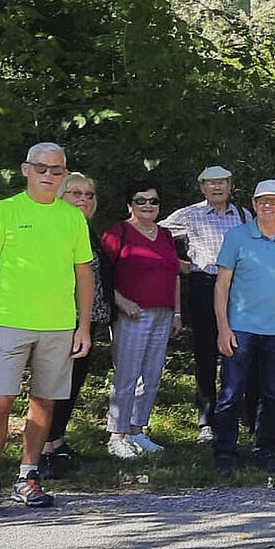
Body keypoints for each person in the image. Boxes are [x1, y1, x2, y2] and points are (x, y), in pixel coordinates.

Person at [0, 142, 94, 516]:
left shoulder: (72, 218)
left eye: (57, 170)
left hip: (58, 326)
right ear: (26, 169)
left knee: (44, 402)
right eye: (42, 168)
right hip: (9, 323)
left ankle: (28, 476)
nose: (49, 175)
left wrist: (83, 326)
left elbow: (84, 275)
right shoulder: (5, 211)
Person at [211, 180, 275, 476]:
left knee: (271, 394)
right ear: (253, 205)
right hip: (240, 328)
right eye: (262, 201)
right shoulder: (237, 237)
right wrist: (223, 328)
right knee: (231, 393)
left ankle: (265, 452)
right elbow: (222, 286)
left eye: (274, 201)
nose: (268, 206)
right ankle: (224, 454)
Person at [159, 165, 252, 443]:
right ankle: (206, 422)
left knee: (238, 350)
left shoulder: (245, 215)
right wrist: (180, 265)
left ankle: (234, 414)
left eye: (222, 182)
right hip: (204, 286)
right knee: (205, 354)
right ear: (202, 188)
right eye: (210, 184)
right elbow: (152, 237)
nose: (217, 188)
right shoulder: (189, 215)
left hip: (239, 290)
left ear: (230, 185)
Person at [101, 180, 182, 458]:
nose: (148, 206)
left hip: (163, 312)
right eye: (141, 201)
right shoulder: (118, 232)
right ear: (129, 204)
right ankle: (116, 435)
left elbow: (174, 274)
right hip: (132, 313)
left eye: (153, 201)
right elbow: (101, 274)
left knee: (151, 375)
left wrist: (177, 312)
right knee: (127, 374)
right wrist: (121, 301)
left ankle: (137, 431)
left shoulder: (166, 235)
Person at [41, 172, 111, 479]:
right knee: (53, 386)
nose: (83, 199)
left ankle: (57, 441)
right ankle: (42, 450)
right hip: (59, 320)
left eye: (89, 195)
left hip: (86, 320)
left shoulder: (85, 230)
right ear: (60, 196)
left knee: (71, 385)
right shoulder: (55, 228)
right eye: (75, 193)